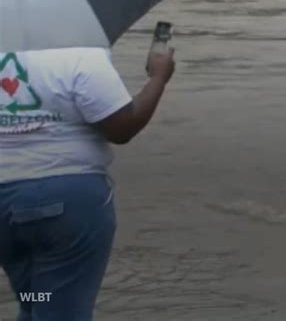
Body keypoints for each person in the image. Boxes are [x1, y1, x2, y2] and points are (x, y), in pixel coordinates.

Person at [0, 42, 175, 320]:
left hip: (4, 206)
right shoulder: (81, 53)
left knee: (32, 298)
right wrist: (158, 77)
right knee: (60, 308)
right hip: (68, 203)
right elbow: (121, 128)